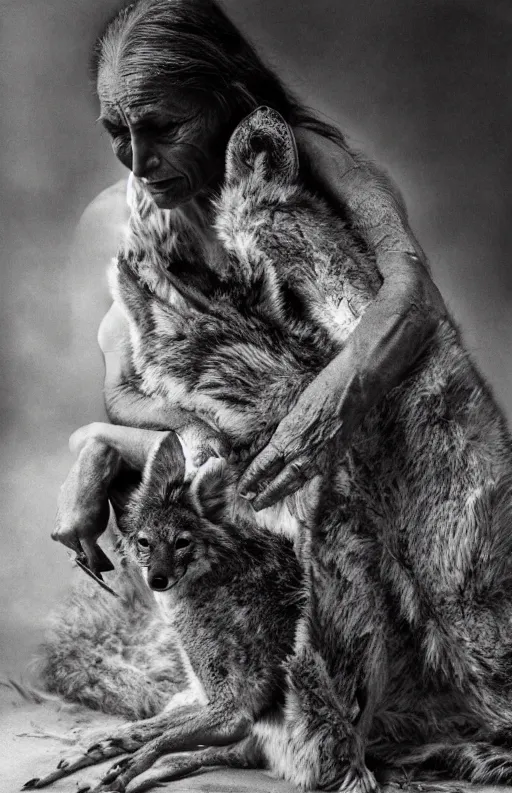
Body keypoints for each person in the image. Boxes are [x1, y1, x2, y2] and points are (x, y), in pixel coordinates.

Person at [57, 0, 447, 567]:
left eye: (163, 127)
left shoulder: (312, 166)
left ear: (225, 98)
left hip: (391, 485)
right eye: (118, 131)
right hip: (267, 522)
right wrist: (119, 447)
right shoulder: (127, 222)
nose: (138, 161)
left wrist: (321, 409)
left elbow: (415, 298)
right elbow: (124, 390)